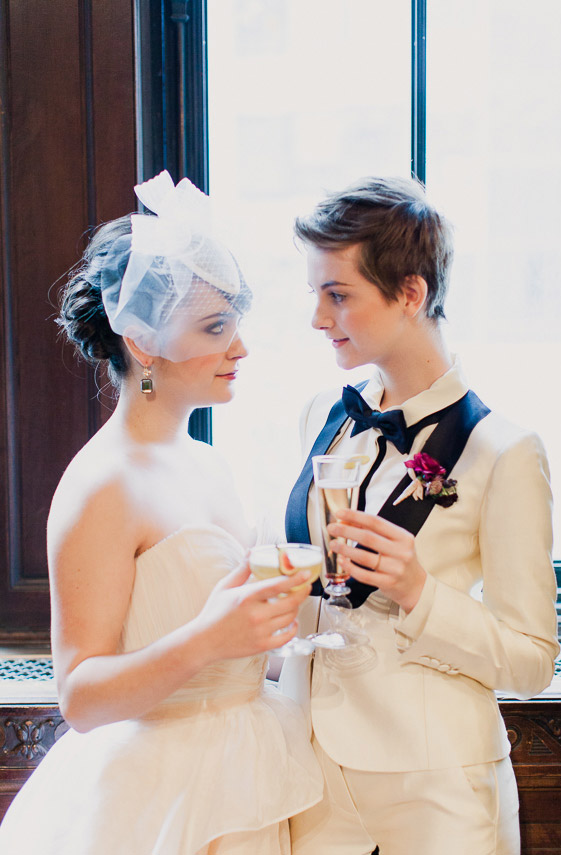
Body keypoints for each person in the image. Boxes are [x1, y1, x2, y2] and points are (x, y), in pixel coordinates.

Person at [0, 171, 322, 854]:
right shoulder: (102, 484)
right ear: (143, 343)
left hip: (250, 764)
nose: (240, 347)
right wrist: (212, 636)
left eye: (235, 323)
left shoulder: (207, 460)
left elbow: (236, 644)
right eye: (214, 327)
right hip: (161, 794)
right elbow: (80, 696)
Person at [281, 176, 559, 855]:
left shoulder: (507, 451)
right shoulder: (324, 414)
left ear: (411, 292)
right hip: (311, 777)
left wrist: (419, 593)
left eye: (338, 294)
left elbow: (533, 661)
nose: (318, 318)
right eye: (316, 293)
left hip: (437, 790)